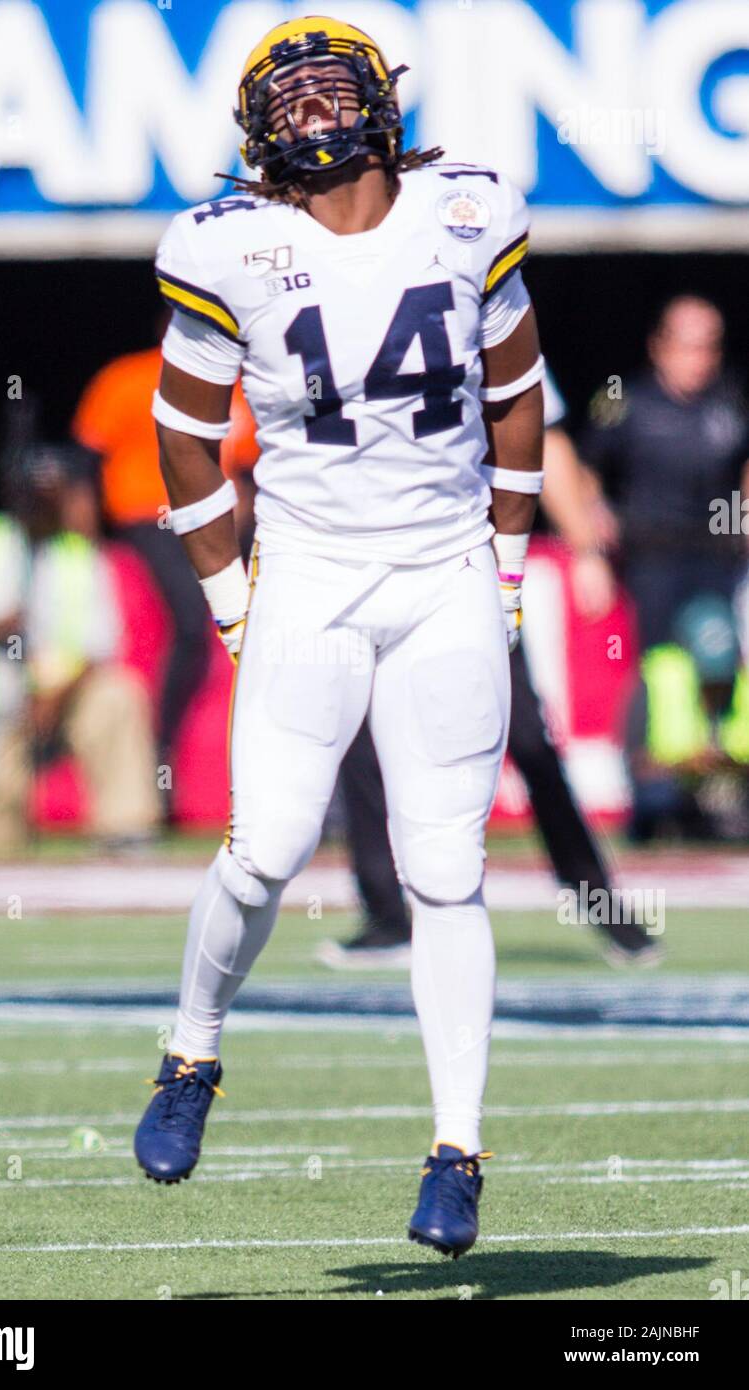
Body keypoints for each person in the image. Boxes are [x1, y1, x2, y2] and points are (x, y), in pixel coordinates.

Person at [134, 15, 545, 1259]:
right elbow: (181, 437)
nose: (315, 118)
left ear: (381, 103)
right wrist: (231, 601)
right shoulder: (228, 245)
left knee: (444, 872)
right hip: (308, 568)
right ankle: (192, 1047)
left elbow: (519, 393)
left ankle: (456, 1149)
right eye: (292, 102)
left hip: (441, 571)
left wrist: (508, 569)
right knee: (263, 849)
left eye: (332, 94)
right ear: (261, 131)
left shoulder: (472, 209)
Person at [327, 370, 661, 969]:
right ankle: (385, 913)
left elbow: (541, 433)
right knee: (359, 730)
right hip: (363, 556)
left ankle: (598, 901)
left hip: (461, 560)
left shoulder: (475, 307)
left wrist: (584, 546)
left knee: (525, 733)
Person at [0, 444, 159, 857]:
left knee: (118, 694)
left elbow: (101, 645)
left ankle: (125, 832)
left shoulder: (80, 555)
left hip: (56, 706)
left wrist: (55, 695)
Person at [72, 329, 212, 785]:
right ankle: (159, 744)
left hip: (212, 519)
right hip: (146, 519)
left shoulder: (229, 378)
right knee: (189, 623)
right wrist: (86, 535)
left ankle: (169, 750)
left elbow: (248, 464)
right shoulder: (127, 377)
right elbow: (86, 460)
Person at [581, 296, 749, 656]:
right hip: (648, 563)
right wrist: (592, 539)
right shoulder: (622, 399)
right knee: (657, 665)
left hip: (718, 559)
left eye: (709, 347)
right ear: (659, 346)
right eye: (688, 347)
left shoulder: (733, 400)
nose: (699, 360)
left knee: (718, 654)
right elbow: (587, 469)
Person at [627, 593, 749, 842]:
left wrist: (726, 765)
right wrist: (688, 765)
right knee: (656, 797)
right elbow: (635, 762)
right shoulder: (658, 677)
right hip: (674, 791)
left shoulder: (743, 683)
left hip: (734, 790)